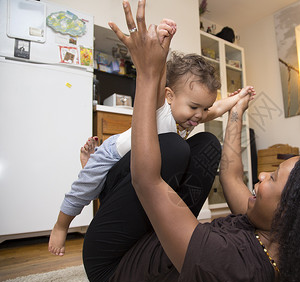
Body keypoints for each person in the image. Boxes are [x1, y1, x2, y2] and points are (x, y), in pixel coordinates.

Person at [83, 1, 300, 282]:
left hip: (112, 263)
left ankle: (101, 176)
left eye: (272, 178)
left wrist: (147, 73)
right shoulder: (274, 237)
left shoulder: (232, 267)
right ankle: (109, 177)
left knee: (172, 148)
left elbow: (146, 181)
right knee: (206, 144)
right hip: (151, 239)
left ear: (290, 214)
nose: (261, 174)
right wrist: (237, 112)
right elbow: (232, 176)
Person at [48, 20, 255, 256]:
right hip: (113, 154)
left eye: (203, 108)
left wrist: (238, 100)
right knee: (84, 188)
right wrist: (161, 45)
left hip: (137, 167)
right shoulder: (161, 109)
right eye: (194, 107)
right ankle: (61, 225)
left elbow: (216, 109)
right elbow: (155, 77)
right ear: (169, 96)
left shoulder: (190, 118)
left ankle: (103, 179)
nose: (199, 115)